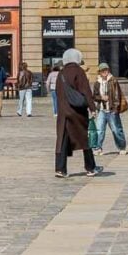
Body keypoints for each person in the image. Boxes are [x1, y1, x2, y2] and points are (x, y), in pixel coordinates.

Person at [55, 48, 100, 178]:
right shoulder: (78, 72)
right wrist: (92, 108)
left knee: (62, 140)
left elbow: (57, 93)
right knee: (85, 139)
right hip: (77, 112)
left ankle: (60, 168)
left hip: (63, 112)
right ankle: (90, 167)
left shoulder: (61, 73)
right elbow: (86, 91)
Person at [92, 61, 128, 155]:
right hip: (101, 110)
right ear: (99, 72)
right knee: (99, 130)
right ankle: (97, 148)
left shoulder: (113, 80)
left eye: (106, 69)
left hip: (111, 109)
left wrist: (115, 108)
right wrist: (101, 97)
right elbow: (94, 96)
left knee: (116, 130)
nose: (105, 71)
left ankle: (122, 147)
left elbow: (117, 95)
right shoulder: (97, 83)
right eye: (102, 70)